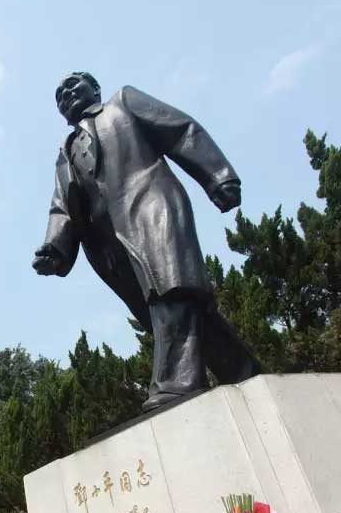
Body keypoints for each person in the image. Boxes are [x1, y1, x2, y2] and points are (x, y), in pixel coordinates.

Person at [34, 72, 260, 412]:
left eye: (73, 85)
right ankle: (243, 371)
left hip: (150, 204)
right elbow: (62, 206)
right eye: (59, 96)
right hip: (109, 246)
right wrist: (55, 248)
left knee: (170, 292)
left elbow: (180, 130)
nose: (66, 94)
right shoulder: (66, 153)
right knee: (166, 311)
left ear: (94, 88)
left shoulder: (123, 102)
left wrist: (218, 176)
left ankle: (176, 383)